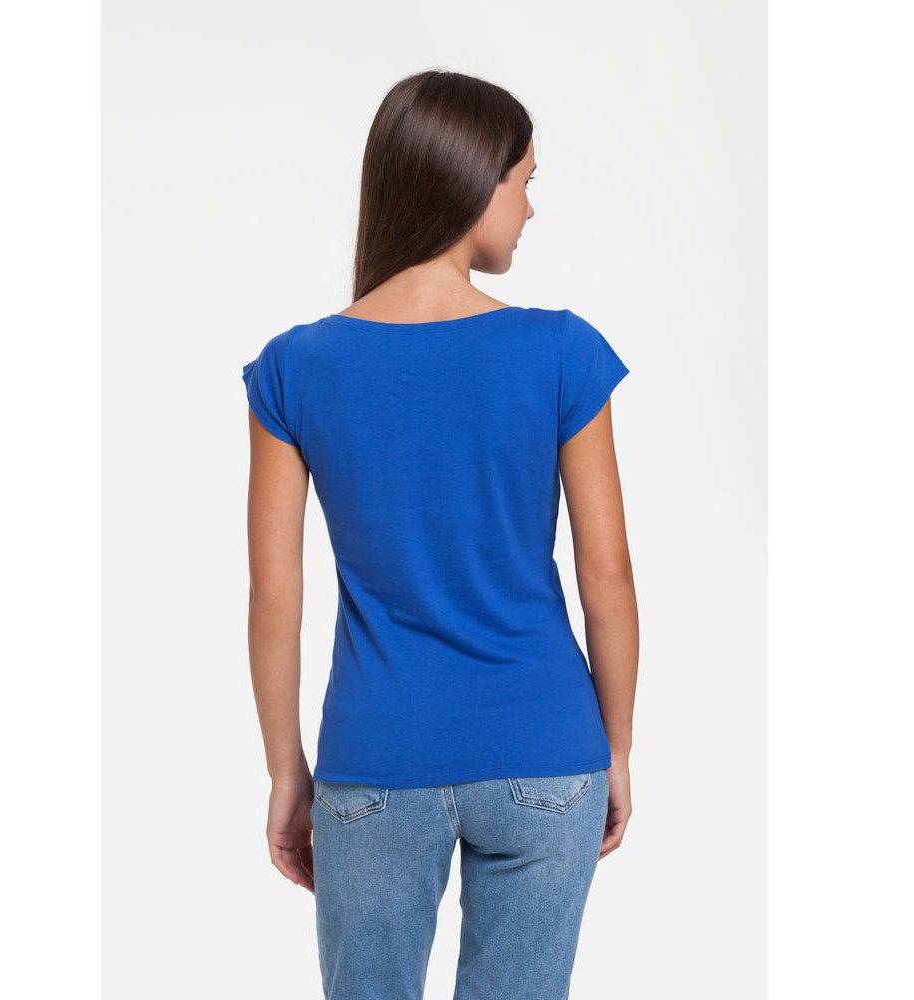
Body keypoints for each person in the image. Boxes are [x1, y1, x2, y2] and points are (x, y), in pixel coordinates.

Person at [242, 68, 639, 1000]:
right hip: (546, 749)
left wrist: (286, 771)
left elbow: (274, 597)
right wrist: (616, 747)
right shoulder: (560, 350)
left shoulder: (297, 367)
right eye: (524, 182)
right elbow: (608, 576)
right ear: (472, 180)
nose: (530, 208)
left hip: (377, 758)